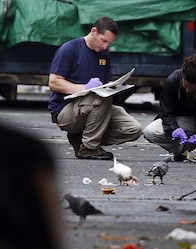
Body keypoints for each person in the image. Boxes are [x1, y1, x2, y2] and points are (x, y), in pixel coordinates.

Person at [48, 17, 142, 160]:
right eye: (104, 41)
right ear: (94, 31)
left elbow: (104, 86)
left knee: (133, 129)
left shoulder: (104, 54)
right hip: (65, 110)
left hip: (93, 107)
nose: (105, 46)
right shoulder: (69, 49)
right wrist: (84, 88)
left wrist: (116, 87)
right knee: (101, 98)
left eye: (109, 43)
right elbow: (54, 82)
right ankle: (88, 148)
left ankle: (81, 139)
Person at [143, 53, 196, 163]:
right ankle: (183, 151)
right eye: (186, 84)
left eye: (192, 87)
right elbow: (166, 112)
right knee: (150, 132)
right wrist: (174, 128)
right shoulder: (173, 80)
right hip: (184, 120)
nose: (188, 90)